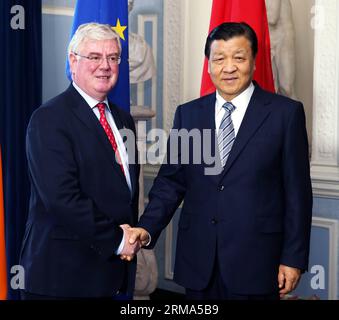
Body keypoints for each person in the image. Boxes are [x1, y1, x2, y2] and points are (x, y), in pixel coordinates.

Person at [126, 22, 313, 300]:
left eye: (238, 57)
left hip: (258, 262)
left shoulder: (285, 114)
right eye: (219, 59)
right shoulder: (189, 115)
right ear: (209, 63)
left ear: (253, 60)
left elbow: (298, 193)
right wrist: (146, 228)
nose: (228, 67)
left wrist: (293, 258)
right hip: (199, 262)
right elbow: (171, 183)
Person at [19, 23, 140, 299]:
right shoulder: (49, 119)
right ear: (73, 61)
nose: (105, 66)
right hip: (60, 278)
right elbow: (62, 199)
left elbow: (124, 193)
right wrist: (119, 240)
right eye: (94, 57)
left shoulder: (124, 121)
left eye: (112, 58)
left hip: (107, 275)